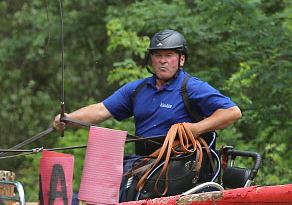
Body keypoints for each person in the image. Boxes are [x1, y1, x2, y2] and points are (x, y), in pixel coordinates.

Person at [52, 29, 242, 158]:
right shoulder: (136, 89)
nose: (163, 61)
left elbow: (232, 112)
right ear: (151, 60)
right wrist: (69, 118)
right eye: (158, 56)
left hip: (180, 163)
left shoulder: (191, 87)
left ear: (181, 59)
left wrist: (196, 129)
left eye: (169, 56)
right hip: (141, 163)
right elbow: (101, 110)